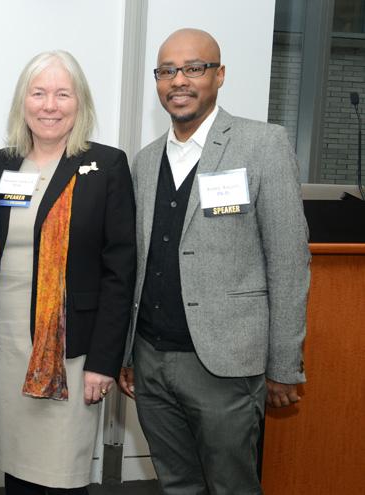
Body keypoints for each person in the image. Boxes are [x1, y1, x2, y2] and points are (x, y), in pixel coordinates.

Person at [117, 28, 310, 495]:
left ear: (218, 75)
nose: (178, 80)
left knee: (232, 486)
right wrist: (127, 354)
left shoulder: (261, 145)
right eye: (167, 71)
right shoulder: (144, 162)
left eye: (193, 68)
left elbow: (288, 259)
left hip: (225, 362)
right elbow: (138, 263)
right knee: (177, 483)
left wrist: (284, 364)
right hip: (152, 358)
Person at [0, 50, 136, 494]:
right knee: (16, 472)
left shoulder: (106, 166)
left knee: (62, 474)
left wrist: (104, 362)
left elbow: (119, 273)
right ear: (22, 102)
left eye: (63, 94)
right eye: (39, 93)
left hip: (70, 354)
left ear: (79, 102)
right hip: (4, 348)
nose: (50, 105)